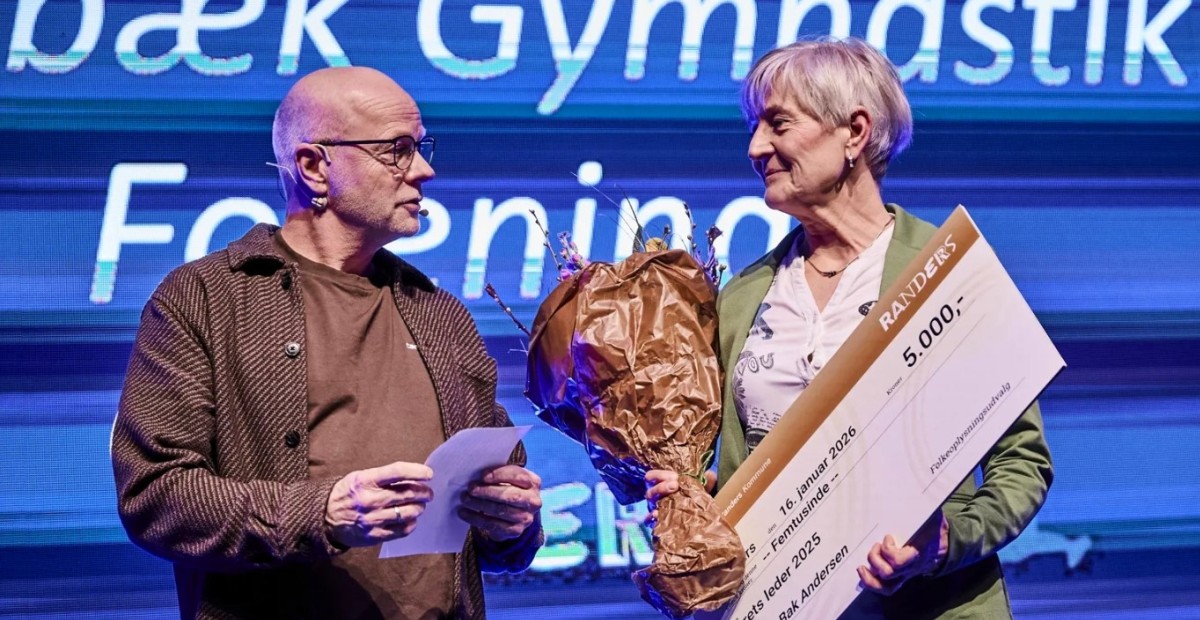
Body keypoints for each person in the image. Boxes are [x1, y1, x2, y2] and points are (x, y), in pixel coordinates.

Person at [111, 66, 543, 620]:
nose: (424, 170)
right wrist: (322, 513)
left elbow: (497, 528)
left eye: (420, 147)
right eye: (397, 150)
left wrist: (513, 522)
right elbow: (155, 494)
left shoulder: (440, 314)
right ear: (315, 167)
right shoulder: (205, 299)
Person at [646, 38, 1052, 618]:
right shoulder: (741, 297)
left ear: (855, 133)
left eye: (778, 124)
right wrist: (693, 496)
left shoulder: (948, 272)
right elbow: (727, 468)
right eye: (755, 127)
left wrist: (943, 543)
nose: (756, 146)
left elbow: (1022, 465)